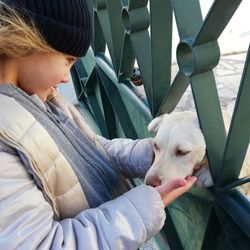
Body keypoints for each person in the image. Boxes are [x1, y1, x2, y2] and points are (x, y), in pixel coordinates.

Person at [0, 0, 197, 249]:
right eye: (69, 60)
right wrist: (141, 209)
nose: (65, 77)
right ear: (25, 39)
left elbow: (88, 152)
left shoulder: (42, 98)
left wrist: (150, 154)